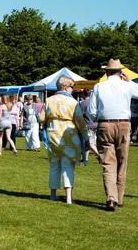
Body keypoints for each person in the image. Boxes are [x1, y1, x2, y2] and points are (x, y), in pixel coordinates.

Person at [88, 58, 138, 211]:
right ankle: (119, 197)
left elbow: (92, 111)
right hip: (124, 124)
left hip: (105, 124)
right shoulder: (127, 86)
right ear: (120, 72)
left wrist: (99, 118)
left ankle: (111, 197)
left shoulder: (98, 87)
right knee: (122, 160)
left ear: (106, 71)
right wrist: (130, 82)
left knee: (108, 163)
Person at [41, 75, 88, 205]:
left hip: (52, 136)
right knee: (68, 166)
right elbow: (80, 122)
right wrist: (87, 138)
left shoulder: (48, 100)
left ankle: (53, 194)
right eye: (72, 87)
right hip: (69, 138)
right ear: (66, 87)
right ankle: (68, 198)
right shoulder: (73, 103)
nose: (73, 90)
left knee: (54, 165)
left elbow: (41, 119)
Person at [79, 88, 99, 164]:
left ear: (83, 94)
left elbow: (80, 115)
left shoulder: (83, 103)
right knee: (90, 143)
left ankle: (99, 156)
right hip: (96, 125)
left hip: (88, 125)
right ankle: (86, 159)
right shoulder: (95, 103)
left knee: (90, 143)